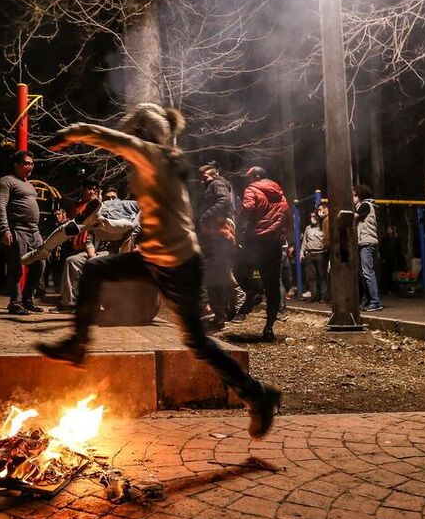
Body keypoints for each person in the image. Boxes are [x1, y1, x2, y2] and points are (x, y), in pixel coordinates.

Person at [35, 103, 282, 438]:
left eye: (133, 134)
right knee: (95, 270)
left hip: (178, 264)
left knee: (196, 342)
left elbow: (105, 136)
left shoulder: (153, 154)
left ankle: (258, 394)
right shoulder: (162, 158)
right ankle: (77, 345)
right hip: (155, 259)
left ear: (143, 134)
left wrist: (70, 132)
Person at [236, 166, 293, 340]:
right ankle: (269, 326)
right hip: (274, 243)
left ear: (256, 177)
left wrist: (239, 226)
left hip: (256, 241)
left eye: (250, 177)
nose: (249, 180)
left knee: (239, 268)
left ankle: (252, 290)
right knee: (273, 285)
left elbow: (247, 209)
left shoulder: (252, 189)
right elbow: (288, 218)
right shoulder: (281, 195)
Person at [0, 150, 46, 315]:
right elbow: (0, 205)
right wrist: (5, 229)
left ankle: (27, 299)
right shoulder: (7, 181)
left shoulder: (30, 185)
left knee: (40, 263)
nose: (30, 166)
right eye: (26, 163)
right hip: (18, 229)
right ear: (16, 164)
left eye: (32, 163)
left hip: (34, 230)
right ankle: (15, 302)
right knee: (16, 266)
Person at [352, 184, 384, 312]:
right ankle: (369, 300)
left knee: (367, 272)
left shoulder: (366, 205)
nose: (353, 198)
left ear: (360, 195)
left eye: (355, 195)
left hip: (367, 242)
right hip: (363, 242)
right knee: (364, 273)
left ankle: (375, 302)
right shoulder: (362, 206)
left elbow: (354, 217)